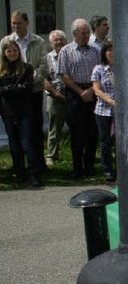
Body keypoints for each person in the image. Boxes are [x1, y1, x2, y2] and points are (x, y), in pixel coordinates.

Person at [1, 10, 49, 174]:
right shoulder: (6, 41)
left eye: (19, 23)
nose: (16, 26)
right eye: (13, 23)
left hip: (33, 91)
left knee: (35, 129)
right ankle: (19, 168)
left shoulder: (38, 41)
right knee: (15, 134)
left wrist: (30, 78)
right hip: (11, 96)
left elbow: (44, 65)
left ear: (27, 23)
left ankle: (38, 165)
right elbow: (2, 65)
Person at [58, 19, 100, 178]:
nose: (85, 35)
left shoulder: (95, 51)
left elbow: (99, 72)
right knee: (76, 132)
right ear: (74, 33)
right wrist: (80, 91)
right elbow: (63, 75)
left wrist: (90, 90)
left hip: (92, 91)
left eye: (87, 32)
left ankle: (90, 167)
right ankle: (77, 168)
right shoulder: (66, 51)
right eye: (82, 32)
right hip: (74, 93)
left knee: (92, 131)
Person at [0, 40, 40, 187]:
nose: (12, 53)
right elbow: (2, 90)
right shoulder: (1, 70)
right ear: (4, 53)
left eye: (15, 51)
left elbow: (27, 88)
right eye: (9, 51)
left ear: (19, 52)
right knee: (14, 145)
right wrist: (15, 88)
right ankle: (19, 175)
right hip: (8, 112)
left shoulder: (27, 68)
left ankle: (34, 176)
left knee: (27, 144)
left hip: (24, 111)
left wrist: (9, 89)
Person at [91, 41, 116, 182]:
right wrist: (111, 102)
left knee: (119, 142)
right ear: (104, 53)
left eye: (114, 50)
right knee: (106, 142)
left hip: (120, 112)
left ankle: (121, 169)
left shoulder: (122, 68)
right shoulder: (99, 69)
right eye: (109, 50)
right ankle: (107, 170)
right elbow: (97, 90)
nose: (111, 52)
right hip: (103, 111)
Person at [44, 30, 67, 167]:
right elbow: (44, 79)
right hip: (54, 96)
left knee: (77, 127)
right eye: (56, 40)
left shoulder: (69, 54)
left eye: (61, 40)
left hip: (71, 95)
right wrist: (55, 93)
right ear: (51, 43)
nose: (58, 42)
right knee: (54, 128)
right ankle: (51, 155)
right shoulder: (47, 58)